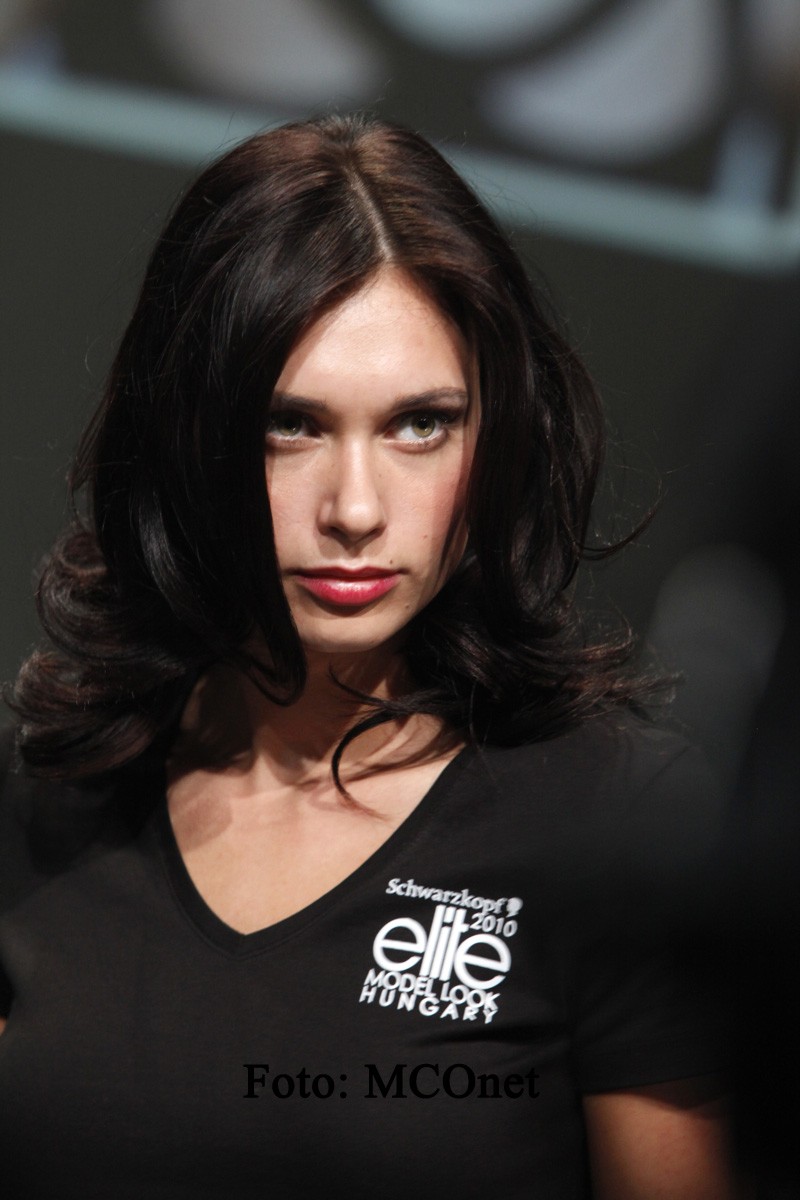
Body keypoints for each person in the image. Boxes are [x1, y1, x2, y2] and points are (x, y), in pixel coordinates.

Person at [0, 114, 735, 1198]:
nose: (354, 509)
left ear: (497, 435)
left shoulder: (615, 821)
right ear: (188, 432)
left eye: (419, 425)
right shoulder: (53, 797)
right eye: (290, 425)